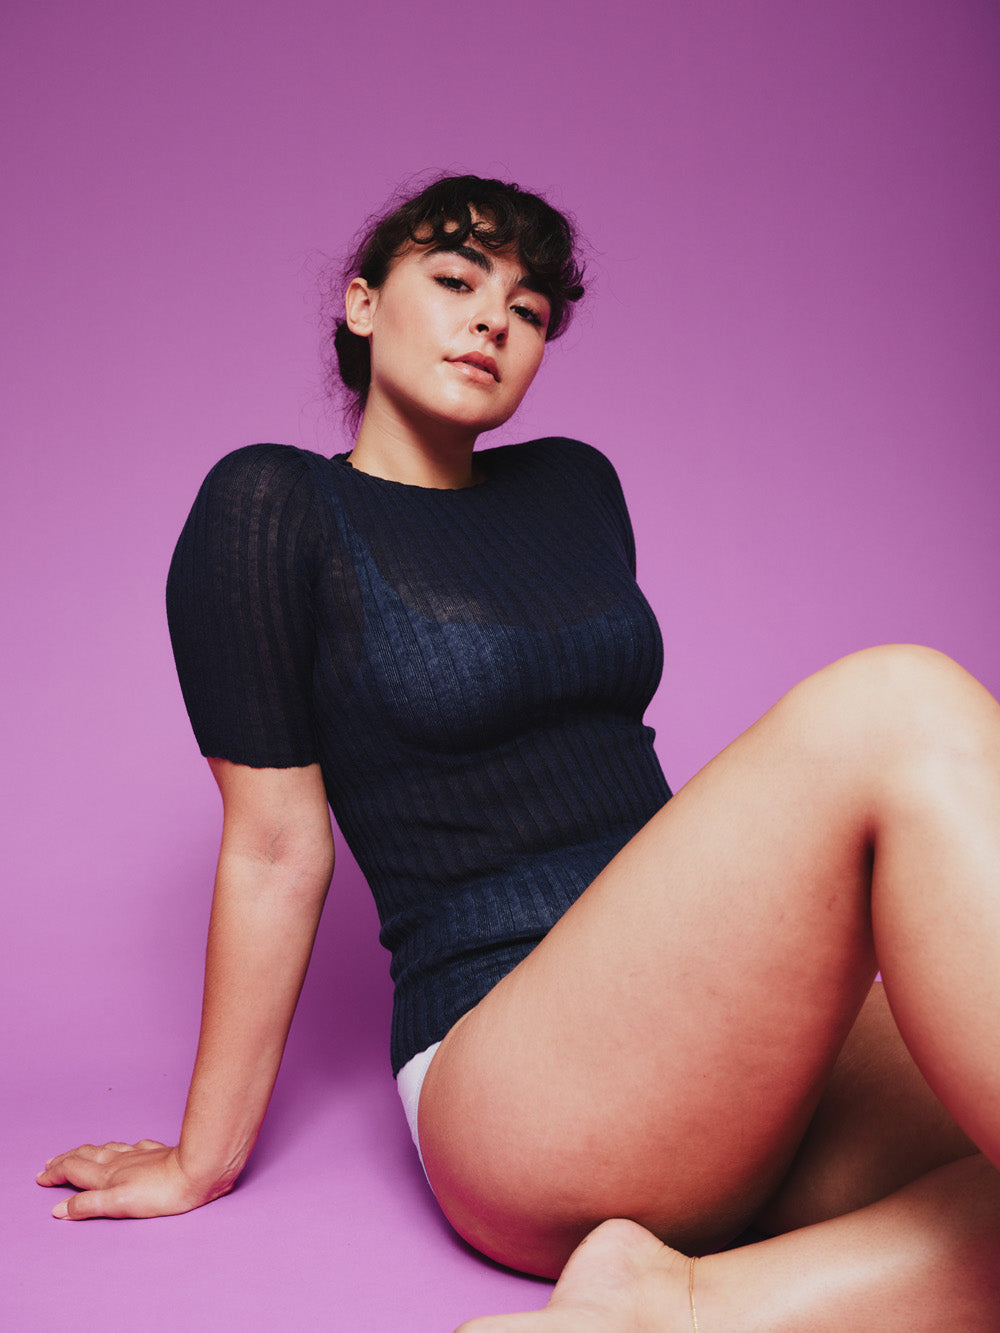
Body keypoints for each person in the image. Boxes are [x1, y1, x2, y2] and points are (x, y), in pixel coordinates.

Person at [37, 175, 1000, 1331]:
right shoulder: (274, 507)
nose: (493, 319)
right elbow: (276, 851)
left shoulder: (575, 484)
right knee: (896, 703)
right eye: (455, 280)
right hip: (509, 1067)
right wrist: (203, 1157)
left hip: (713, 1040)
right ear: (360, 303)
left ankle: (668, 1306)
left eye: (529, 309)